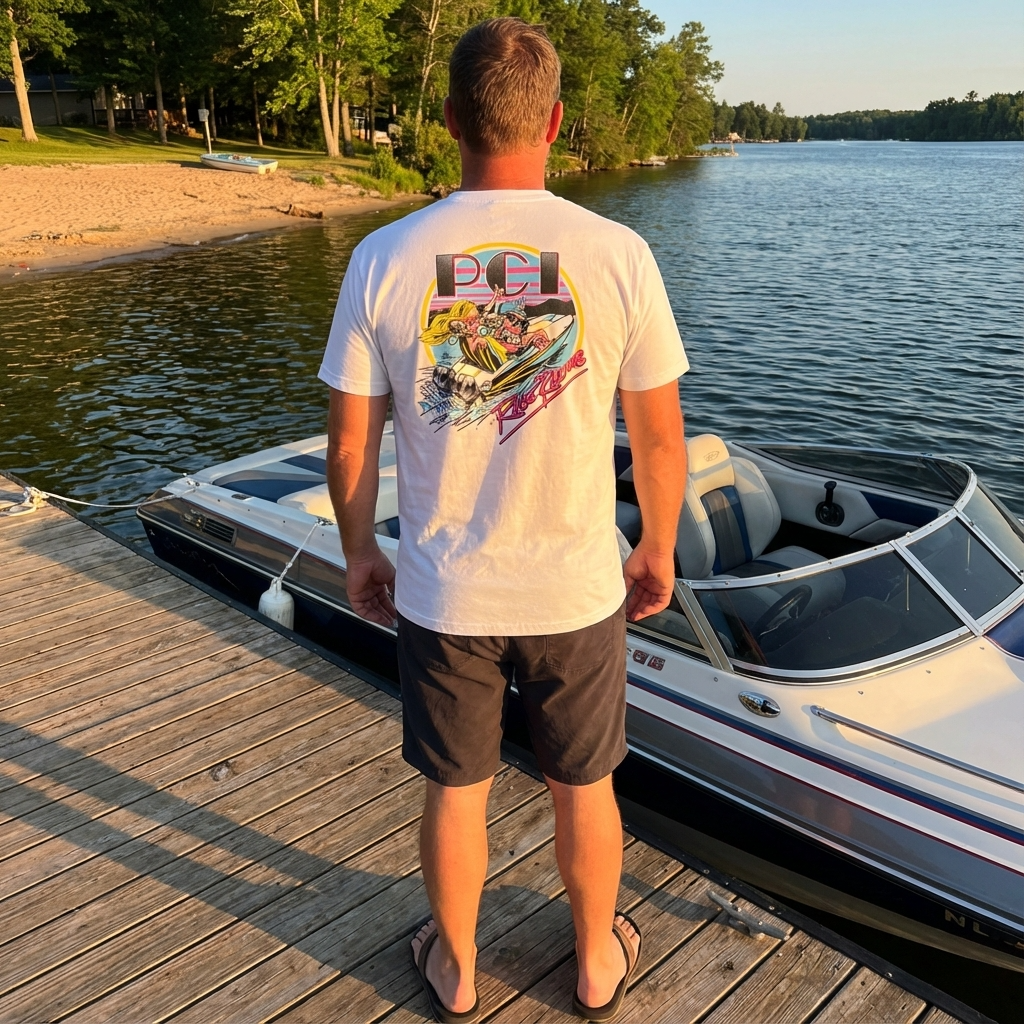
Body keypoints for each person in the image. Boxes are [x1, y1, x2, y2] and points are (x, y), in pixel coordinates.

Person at [319, 17, 688, 1023]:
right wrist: (655, 545)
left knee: (457, 791)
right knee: (587, 785)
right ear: (559, 124)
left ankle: (459, 965)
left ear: (448, 122)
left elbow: (350, 449)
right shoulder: (617, 252)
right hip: (576, 586)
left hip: (447, 587)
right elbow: (659, 440)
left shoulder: (384, 257)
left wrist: (361, 552)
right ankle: (597, 965)